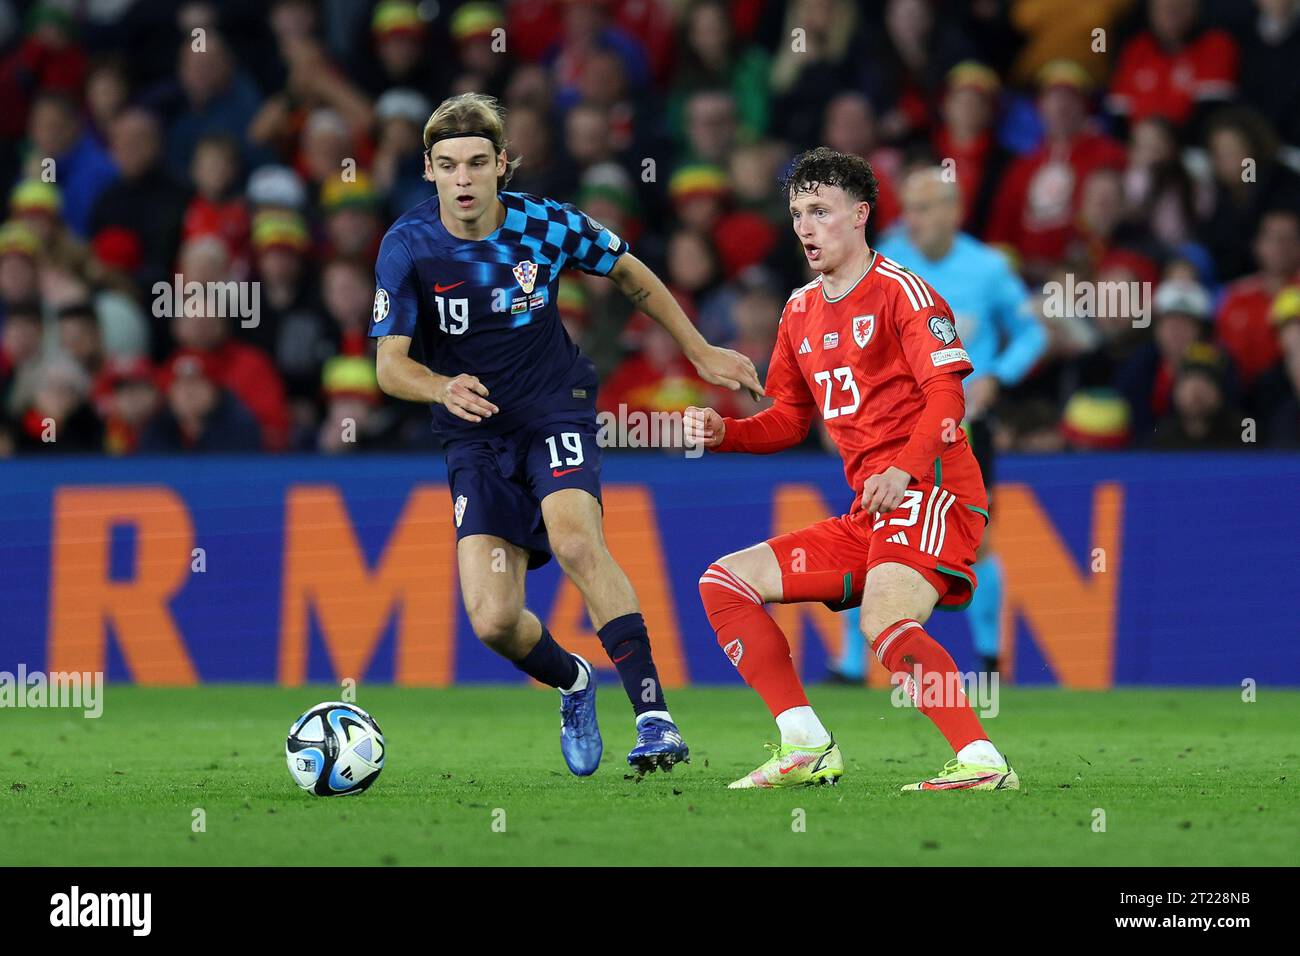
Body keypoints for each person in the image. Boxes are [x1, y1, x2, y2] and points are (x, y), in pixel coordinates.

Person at [370, 93, 761, 777]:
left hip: (555, 410)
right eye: (447, 165)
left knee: (578, 538)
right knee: (493, 620)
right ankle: (575, 683)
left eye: (477, 163)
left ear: (503, 166)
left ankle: (653, 716)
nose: (463, 179)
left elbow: (629, 272)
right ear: (429, 173)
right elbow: (388, 365)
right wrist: (439, 386)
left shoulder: (545, 225)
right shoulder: (408, 247)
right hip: (475, 435)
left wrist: (699, 350)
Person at [686, 147, 1017, 792]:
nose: (805, 228)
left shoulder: (905, 293)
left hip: (934, 489)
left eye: (820, 211)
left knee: (882, 621)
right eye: (796, 215)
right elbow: (788, 420)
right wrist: (727, 433)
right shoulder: (799, 311)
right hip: (869, 509)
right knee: (724, 583)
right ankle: (805, 744)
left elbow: (949, 398)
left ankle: (981, 760)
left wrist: (906, 471)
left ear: (861, 215)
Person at [875, 166, 1047, 675]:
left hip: (966, 424)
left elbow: (1032, 333)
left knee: (979, 536)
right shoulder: (885, 257)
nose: (915, 219)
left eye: (927, 208)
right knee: (874, 527)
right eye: (909, 207)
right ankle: (849, 663)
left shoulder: (988, 267)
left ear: (955, 211)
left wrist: (998, 377)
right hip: (896, 422)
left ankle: (992, 660)